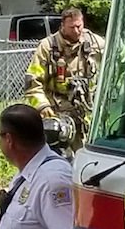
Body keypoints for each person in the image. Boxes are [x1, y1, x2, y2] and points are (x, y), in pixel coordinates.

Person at [23, 8, 105, 155]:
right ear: (62, 26)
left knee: (89, 159)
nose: (76, 30)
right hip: (57, 116)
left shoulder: (95, 43)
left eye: (79, 26)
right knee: (61, 160)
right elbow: (33, 83)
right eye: (71, 27)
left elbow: (118, 60)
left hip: (87, 116)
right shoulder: (48, 47)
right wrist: (42, 107)